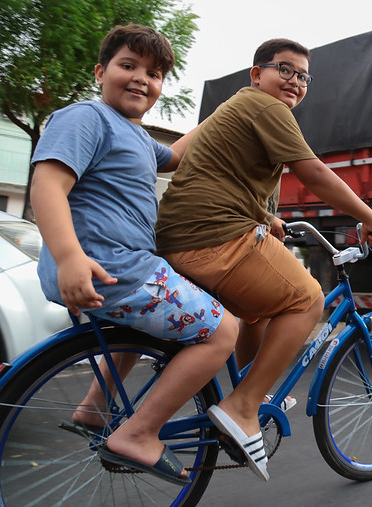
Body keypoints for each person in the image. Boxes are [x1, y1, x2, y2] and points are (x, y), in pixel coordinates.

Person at [154, 38, 372, 481]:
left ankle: (251, 389)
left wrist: (266, 216)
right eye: (285, 69)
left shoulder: (233, 108)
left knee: (257, 311)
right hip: (214, 235)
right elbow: (314, 172)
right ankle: (243, 407)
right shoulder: (269, 109)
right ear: (256, 74)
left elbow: (189, 162)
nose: (295, 82)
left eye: (303, 76)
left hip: (179, 233)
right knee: (307, 301)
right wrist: (371, 218)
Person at [30, 24, 239, 486]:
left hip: (114, 270)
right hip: (113, 266)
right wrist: (69, 257)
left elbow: (178, 156)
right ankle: (139, 434)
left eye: (156, 73)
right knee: (224, 331)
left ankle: (93, 408)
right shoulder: (86, 117)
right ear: (101, 72)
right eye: (129, 66)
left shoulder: (137, 137)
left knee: (137, 328)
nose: (142, 78)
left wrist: (227, 112)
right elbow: (47, 184)